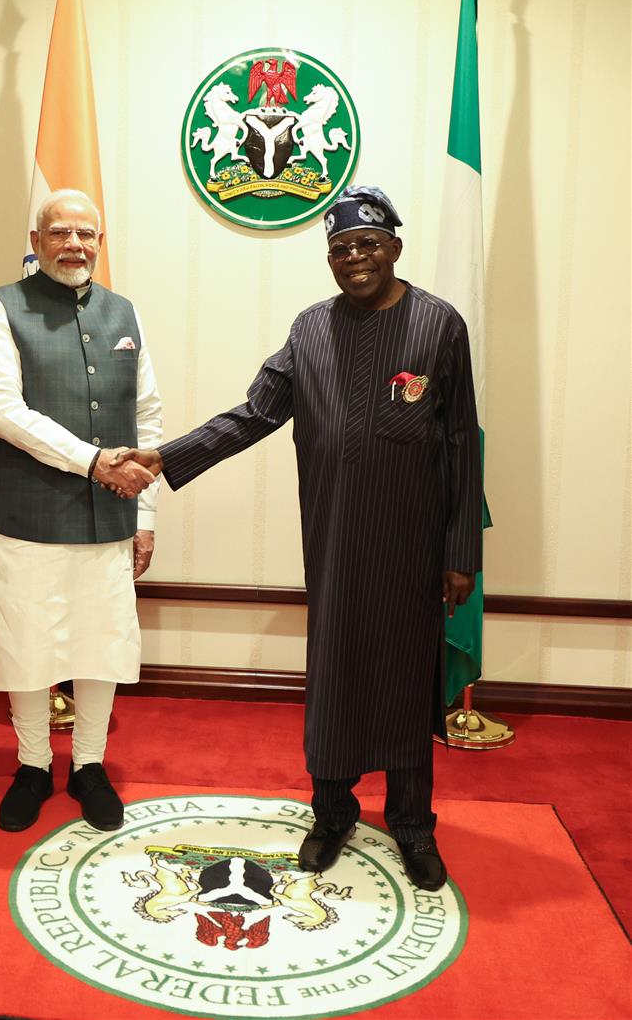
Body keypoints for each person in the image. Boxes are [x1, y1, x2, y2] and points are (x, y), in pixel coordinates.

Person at [114, 185, 481, 891]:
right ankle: (332, 814)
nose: (353, 258)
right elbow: (255, 413)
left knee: (406, 685)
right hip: (337, 541)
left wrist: (461, 552)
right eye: (340, 249)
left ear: (395, 248)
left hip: (414, 547)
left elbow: (463, 441)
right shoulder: (310, 329)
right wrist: (168, 455)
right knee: (337, 680)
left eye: (367, 245)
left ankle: (412, 825)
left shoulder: (440, 325)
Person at [0, 188, 162, 835]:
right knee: (27, 647)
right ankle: (34, 766)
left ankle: (89, 766)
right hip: (26, 520)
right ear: (37, 242)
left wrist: (146, 512)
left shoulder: (123, 311)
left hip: (110, 519)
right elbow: (4, 412)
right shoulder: (1, 307)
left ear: (100, 243)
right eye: (60, 232)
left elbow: (147, 414)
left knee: (101, 647)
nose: (75, 244)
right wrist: (94, 461)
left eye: (87, 234)